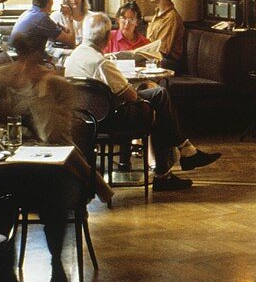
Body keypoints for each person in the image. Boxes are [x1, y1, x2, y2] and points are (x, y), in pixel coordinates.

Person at [0, 28, 112, 282]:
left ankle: (57, 265)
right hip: (10, 168)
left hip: (60, 168)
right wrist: (21, 133)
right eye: (24, 55)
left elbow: (54, 137)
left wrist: (41, 92)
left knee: (53, 193)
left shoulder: (57, 85)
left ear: (41, 54)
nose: (26, 63)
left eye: (33, 56)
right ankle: (2, 265)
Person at [65, 12, 220, 190]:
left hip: (86, 120)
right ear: (108, 37)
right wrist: (138, 96)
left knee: (157, 100)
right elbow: (130, 96)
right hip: (112, 119)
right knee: (159, 98)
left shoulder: (74, 58)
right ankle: (174, 164)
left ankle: (182, 155)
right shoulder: (102, 63)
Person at [11, 0, 77, 48]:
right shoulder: (42, 19)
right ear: (49, 1)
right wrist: (69, 16)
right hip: (26, 57)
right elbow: (71, 42)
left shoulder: (27, 13)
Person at [145, 0, 186, 70]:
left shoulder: (171, 18)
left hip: (166, 62)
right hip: (153, 56)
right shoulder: (158, 13)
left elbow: (162, 49)